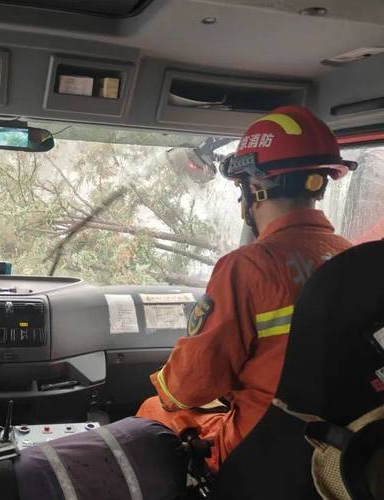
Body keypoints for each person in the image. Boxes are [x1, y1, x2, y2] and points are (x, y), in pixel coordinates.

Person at [137, 105, 357, 471]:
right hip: (343, 448)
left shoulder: (248, 267)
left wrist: (164, 385)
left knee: (155, 410)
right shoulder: (351, 256)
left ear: (253, 186)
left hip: (263, 447)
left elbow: (187, 388)